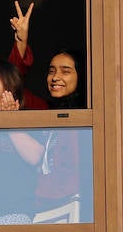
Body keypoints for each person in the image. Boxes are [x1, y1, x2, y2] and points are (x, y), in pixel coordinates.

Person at [0, 59, 44, 224]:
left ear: (8, 85)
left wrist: (8, 122)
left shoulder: (28, 121)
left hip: (13, 214)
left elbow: (35, 157)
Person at [33, 48, 92, 222]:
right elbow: (13, 87)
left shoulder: (83, 119)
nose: (55, 77)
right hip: (47, 204)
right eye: (51, 71)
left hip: (69, 208)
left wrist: (30, 188)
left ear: (82, 76)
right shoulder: (46, 111)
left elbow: (71, 177)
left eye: (65, 71)